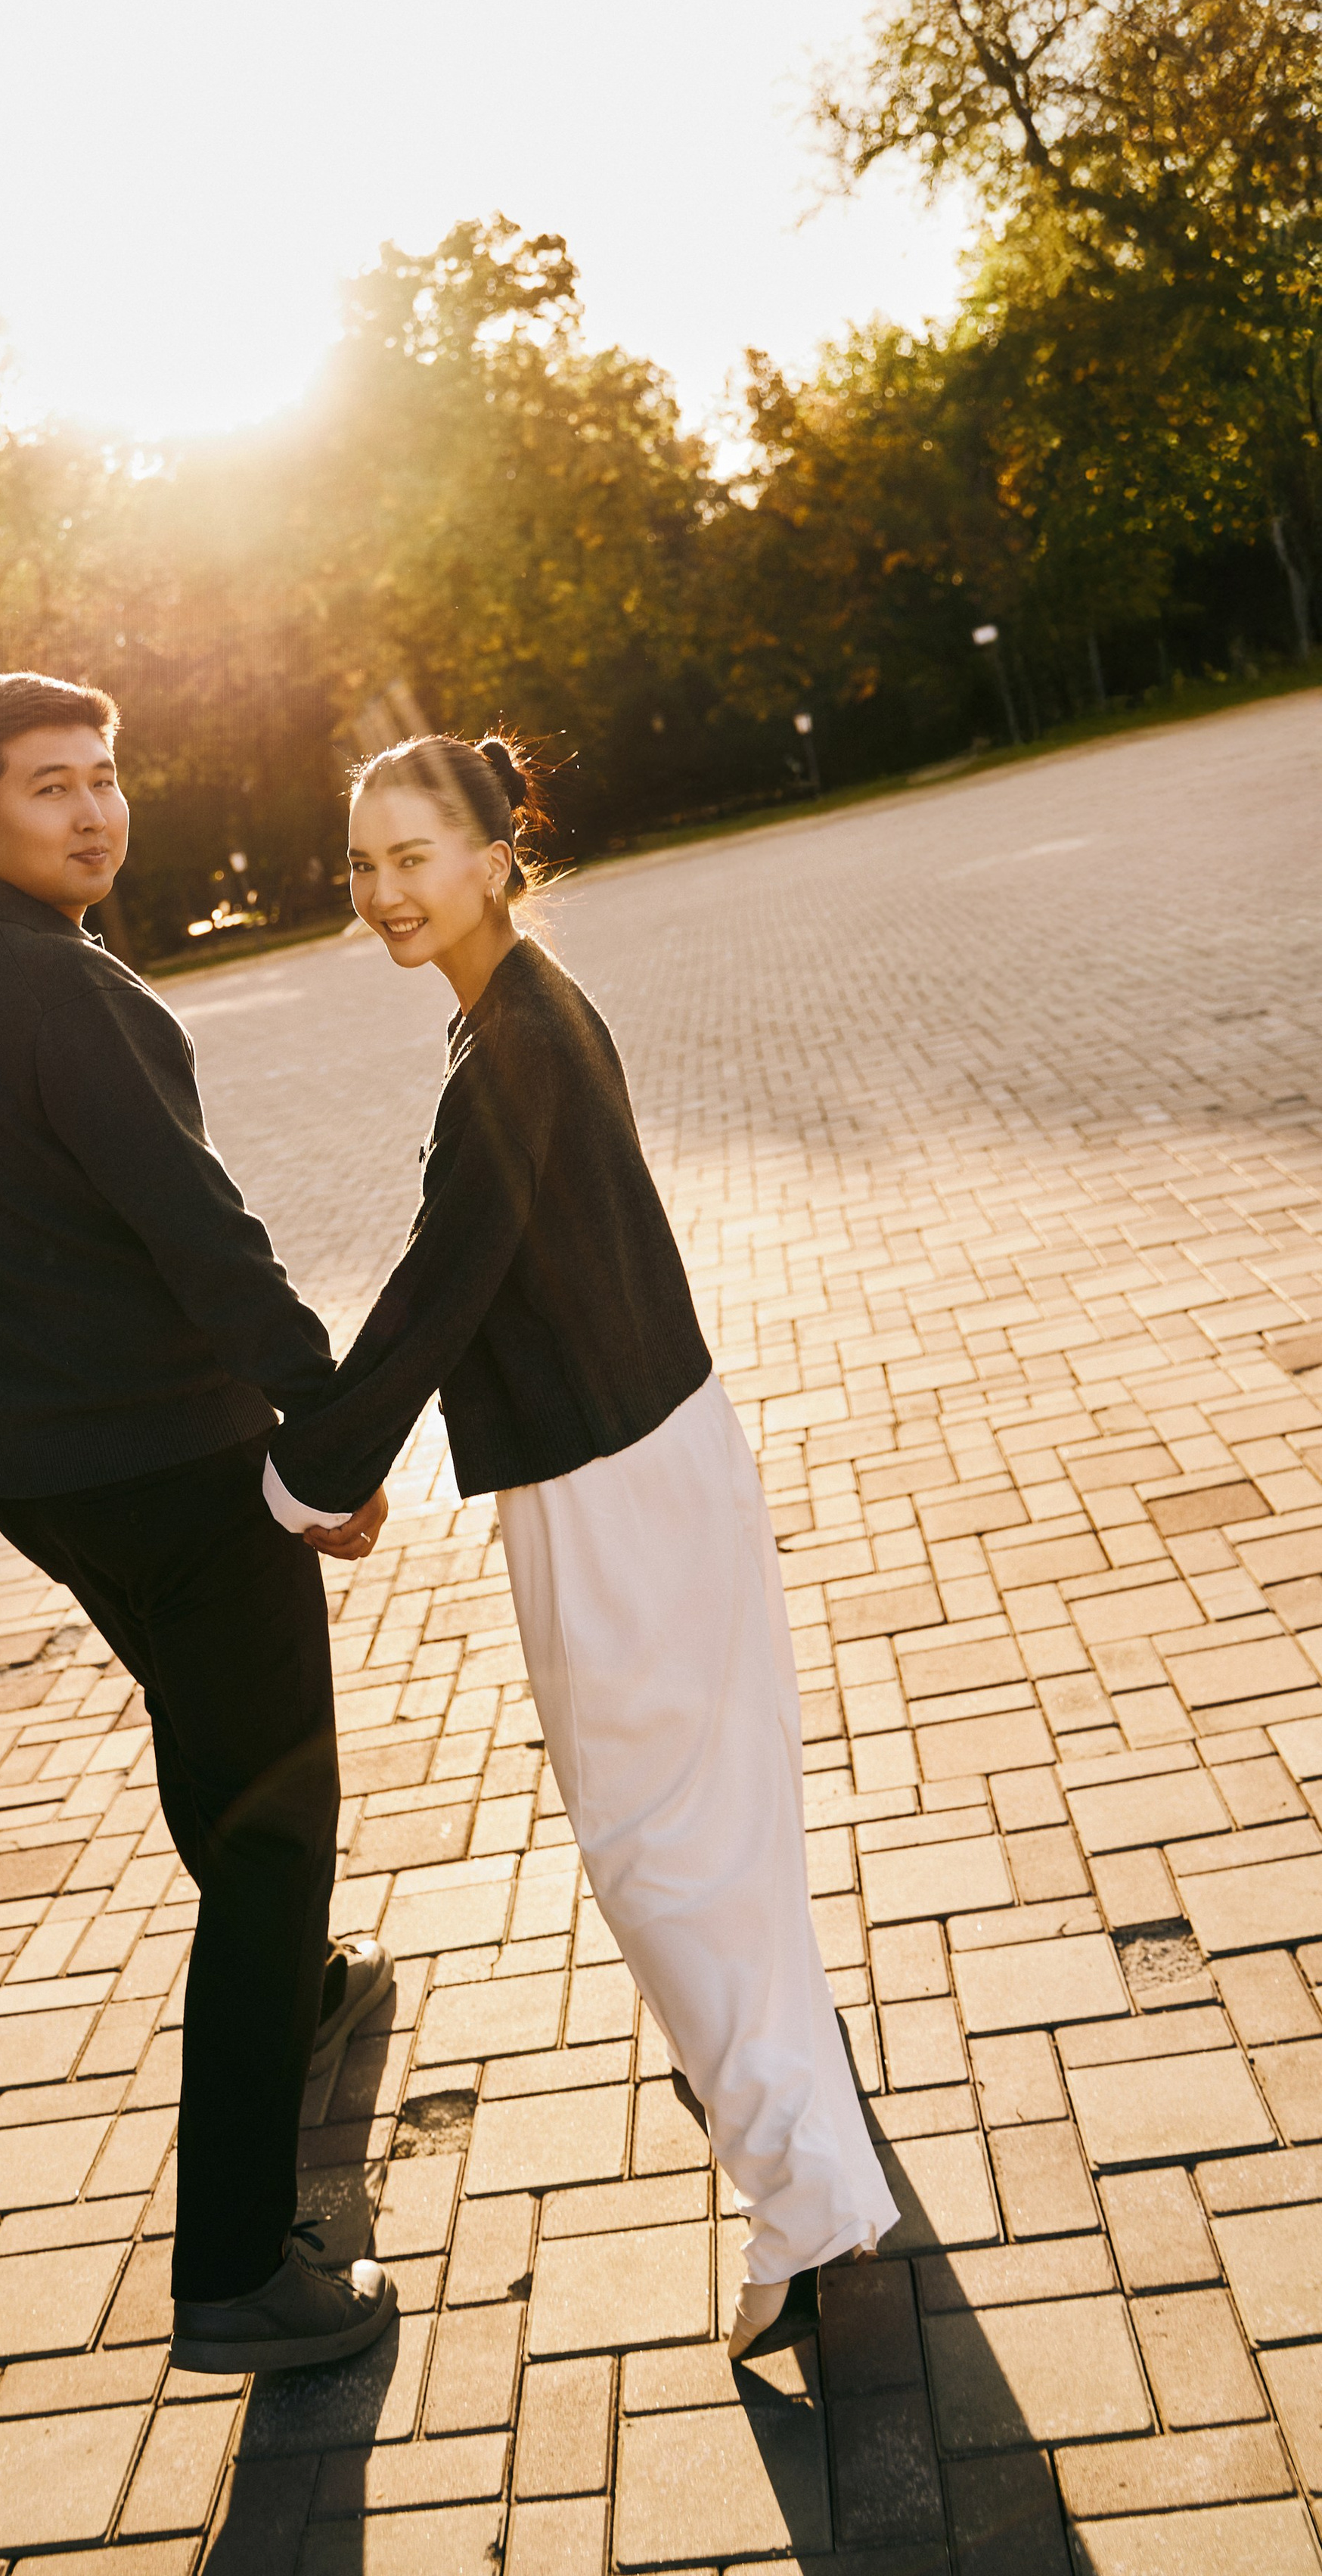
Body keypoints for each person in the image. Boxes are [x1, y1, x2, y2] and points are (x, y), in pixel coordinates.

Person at [262, 732, 896, 2358]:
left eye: (412, 857)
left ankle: (805, 2208)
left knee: (659, 1859)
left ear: (491, 854)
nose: (382, 892)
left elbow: (438, 1281)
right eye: (359, 864)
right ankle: (818, 2164)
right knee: (718, 1840)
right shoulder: (525, 1005)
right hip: (654, 1457)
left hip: (614, 1492)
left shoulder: (514, 1046)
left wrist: (308, 1472)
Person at [0, 669, 397, 2376]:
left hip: (40, 1478)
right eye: (47, 788)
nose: (92, 810)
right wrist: (324, 1430)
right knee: (268, 1831)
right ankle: (237, 2267)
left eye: (103, 776)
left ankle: (301, 1996)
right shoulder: (60, 990)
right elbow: (201, 1227)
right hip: (172, 1465)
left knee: (207, 1746)